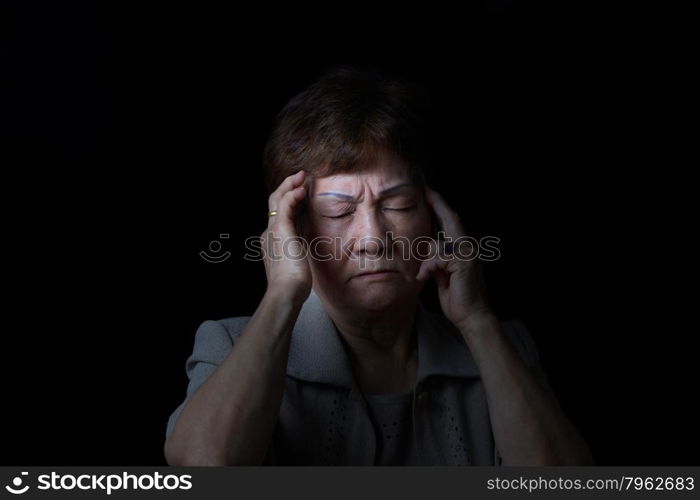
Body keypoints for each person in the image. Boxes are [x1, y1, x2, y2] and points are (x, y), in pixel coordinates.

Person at [164, 65, 593, 466]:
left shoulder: (504, 348)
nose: (372, 239)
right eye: (338, 212)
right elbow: (205, 468)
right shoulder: (229, 344)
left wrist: (477, 321)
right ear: (295, 230)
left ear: (435, 218)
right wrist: (282, 294)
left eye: (399, 204)